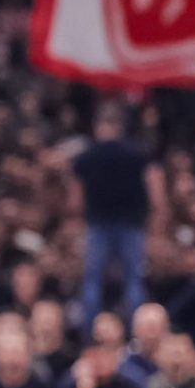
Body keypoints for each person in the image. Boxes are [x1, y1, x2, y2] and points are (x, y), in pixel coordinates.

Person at [72, 105, 157, 321]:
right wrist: (155, 215)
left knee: (92, 280)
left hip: (98, 224)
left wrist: (78, 219)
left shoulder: (87, 157)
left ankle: (89, 330)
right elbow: (154, 185)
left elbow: (75, 197)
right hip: (131, 223)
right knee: (133, 279)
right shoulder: (137, 154)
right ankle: (136, 327)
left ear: (98, 127)